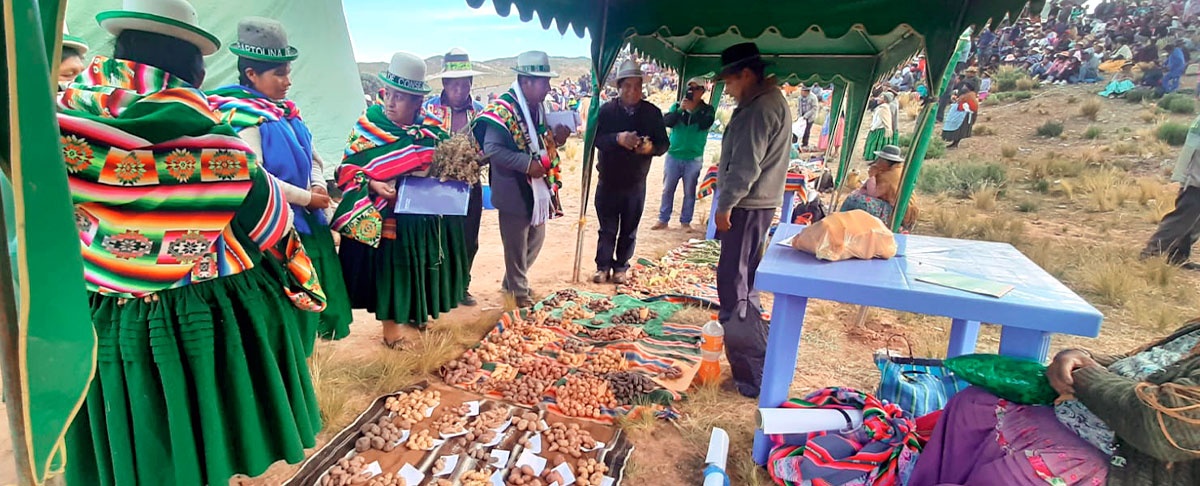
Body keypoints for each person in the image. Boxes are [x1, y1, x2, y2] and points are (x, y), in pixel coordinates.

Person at [58, 1, 320, 483]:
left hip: (112, 311)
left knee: (146, 426)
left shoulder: (63, 129)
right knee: (211, 417)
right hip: (207, 306)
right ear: (192, 68)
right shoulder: (213, 139)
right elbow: (267, 220)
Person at [909, 318, 1200, 485]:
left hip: (1122, 461)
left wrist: (1085, 376)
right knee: (974, 406)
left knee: (1011, 476)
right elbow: (1144, 364)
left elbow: (1166, 425)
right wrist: (1078, 356)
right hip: (1079, 417)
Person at [208, 17, 352, 348]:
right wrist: (305, 198)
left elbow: (313, 155)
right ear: (251, 75)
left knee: (316, 295)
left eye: (288, 71)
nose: (288, 81)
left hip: (308, 223)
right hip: (278, 229)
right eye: (279, 74)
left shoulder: (284, 111)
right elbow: (255, 176)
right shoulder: (243, 117)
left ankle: (312, 364)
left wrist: (317, 185)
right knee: (290, 303)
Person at [332, 52, 467, 346]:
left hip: (419, 218)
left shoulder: (430, 129)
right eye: (389, 94)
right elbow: (347, 169)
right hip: (386, 216)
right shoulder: (369, 125)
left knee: (417, 266)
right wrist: (373, 183)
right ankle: (390, 331)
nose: (391, 102)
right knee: (391, 271)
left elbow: (442, 168)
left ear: (418, 102)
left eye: (401, 97)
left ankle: (416, 313)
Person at [713, 42, 791, 398]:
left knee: (735, 288)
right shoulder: (766, 102)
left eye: (729, 82)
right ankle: (756, 365)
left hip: (747, 206)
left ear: (746, 75)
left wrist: (725, 206)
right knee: (744, 282)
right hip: (756, 204)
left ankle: (751, 375)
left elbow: (746, 166)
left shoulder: (760, 109)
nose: (727, 90)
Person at [472, 51, 569, 307]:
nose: (549, 87)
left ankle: (511, 284)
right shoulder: (501, 110)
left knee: (535, 239)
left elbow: (540, 141)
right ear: (526, 81)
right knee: (516, 245)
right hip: (513, 189)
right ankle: (519, 293)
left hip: (536, 190)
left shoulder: (536, 108)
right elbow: (493, 149)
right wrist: (527, 165)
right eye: (543, 81)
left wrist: (556, 140)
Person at [591, 60, 669, 284]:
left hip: (635, 183)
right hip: (608, 180)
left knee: (629, 229)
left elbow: (664, 144)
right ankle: (602, 267)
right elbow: (596, 140)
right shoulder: (606, 111)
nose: (632, 91)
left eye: (637, 86)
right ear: (619, 87)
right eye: (627, 86)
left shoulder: (652, 113)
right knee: (607, 229)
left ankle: (621, 267)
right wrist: (618, 139)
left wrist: (650, 147)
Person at [424, 48, 486, 307]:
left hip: (469, 185)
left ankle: (462, 285)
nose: (460, 89)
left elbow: (489, 147)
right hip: (437, 186)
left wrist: (478, 157)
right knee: (439, 237)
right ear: (445, 84)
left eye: (464, 83)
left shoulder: (482, 113)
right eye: (454, 84)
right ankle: (439, 288)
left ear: (471, 83)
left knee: (469, 238)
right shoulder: (428, 111)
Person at [655, 77, 714, 231]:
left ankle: (685, 221)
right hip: (674, 154)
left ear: (702, 91)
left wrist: (691, 110)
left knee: (689, 191)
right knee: (668, 189)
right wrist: (681, 109)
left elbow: (704, 123)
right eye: (690, 88)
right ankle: (663, 219)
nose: (691, 91)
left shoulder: (707, 110)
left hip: (693, 157)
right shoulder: (677, 106)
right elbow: (666, 121)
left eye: (695, 88)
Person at [1142, 114, 1200, 269]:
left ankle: (1178, 256)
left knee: (1195, 222)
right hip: (1196, 180)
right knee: (1183, 218)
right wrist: (1183, 176)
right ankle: (1150, 253)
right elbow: (1191, 147)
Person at [838, 145, 918, 228]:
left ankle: (842, 225)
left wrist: (872, 175)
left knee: (855, 200)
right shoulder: (896, 170)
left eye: (880, 159)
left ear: (887, 162)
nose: (877, 161)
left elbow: (873, 193)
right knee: (856, 196)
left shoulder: (889, 176)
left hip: (899, 214)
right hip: (901, 210)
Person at [863, 94, 895, 160]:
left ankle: (874, 157)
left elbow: (880, 120)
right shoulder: (881, 107)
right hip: (878, 128)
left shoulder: (883, 109)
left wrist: (873, 128)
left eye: (881, 98)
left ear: (885, 100)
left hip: (880, 130)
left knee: (875, 143)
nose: (878, 99)